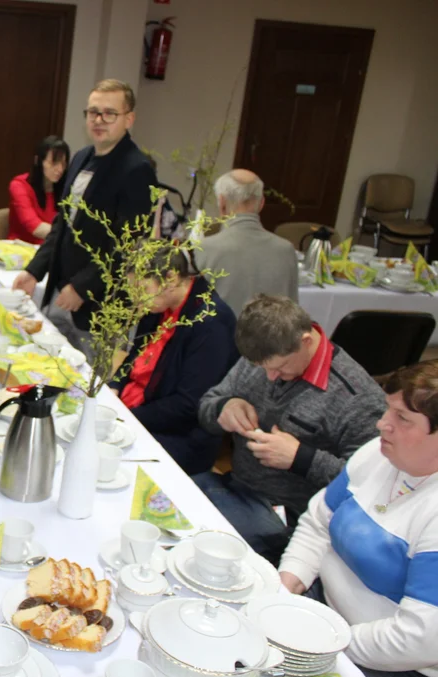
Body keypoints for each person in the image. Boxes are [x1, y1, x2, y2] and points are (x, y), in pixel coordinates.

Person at [279, 360, 438, 677]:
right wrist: (286, 586)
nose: (383, 424)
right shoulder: (377, 454)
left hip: (403, 665)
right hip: (327, 618)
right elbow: (318, 523)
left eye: (403, 419)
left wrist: (326, 642)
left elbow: (420, 638)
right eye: (388, 411)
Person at [195, 295, 386, 563]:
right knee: (164, 504)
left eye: (281, 367)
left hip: (291, 516)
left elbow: (368, 483)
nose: (270, 376)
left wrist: (300, 458)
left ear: (305, 341)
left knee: (201, 547)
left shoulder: (357, 398)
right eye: (263, 368)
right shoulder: (262, 354)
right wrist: (224, 407)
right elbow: (206, 406)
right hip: (234, 486)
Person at [12, 79, 156, 354]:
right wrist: (34, 270)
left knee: (83, 383)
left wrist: (82, 287)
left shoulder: (138, 169)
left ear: (129, 119)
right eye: (93, 112)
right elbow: (62, 225)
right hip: (60, 288)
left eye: (109, 113)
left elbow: (127, 246)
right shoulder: (81, 157)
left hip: (96, 305)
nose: (99, 120)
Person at [109, 247, 236, 474]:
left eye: (142, 289)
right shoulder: (160, 303)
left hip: (179, 434)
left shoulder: (211, 324)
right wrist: (116, 385)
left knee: (105, 459)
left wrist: (126, 419)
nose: (136, 299)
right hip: (137, 408)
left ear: (171, 279)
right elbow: (136, 354)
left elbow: (189, 404)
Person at [195, 169, 299, 316]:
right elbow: (293, 314)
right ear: (262, 203)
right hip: (272, 338)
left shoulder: (204, 248)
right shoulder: (286, 250)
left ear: (222, 203)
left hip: (221, 338)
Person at [8, 135, 70, 244]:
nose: (60, 169)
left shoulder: (65, 187)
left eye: (63, 164)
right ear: (38, 161)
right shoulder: (19, 185)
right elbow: (34, 227)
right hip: (22, 248)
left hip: (50, 248)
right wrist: (67, 235)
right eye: (54, 163)